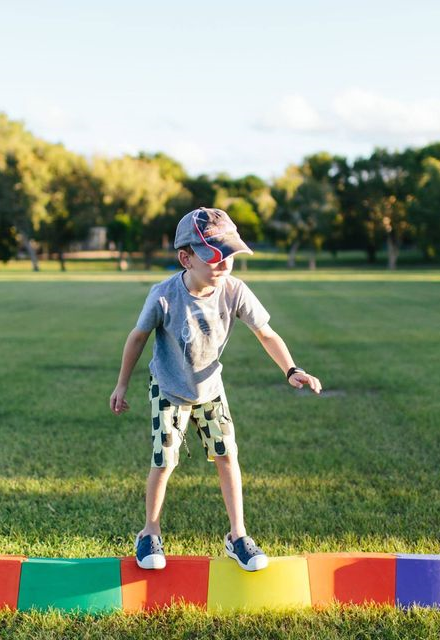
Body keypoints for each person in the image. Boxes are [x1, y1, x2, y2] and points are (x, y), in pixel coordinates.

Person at [109, 207, 322, 572]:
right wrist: (122, 384)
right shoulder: (164, 295)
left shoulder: (234, 290)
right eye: (214, 255)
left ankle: (238, 537)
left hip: (210, 390)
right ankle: (149, 533)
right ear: (185, 258)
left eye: (230, 254)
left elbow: (265, 333)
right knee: (164, 461)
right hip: (169, 389)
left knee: (227, 457)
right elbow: (137, 337)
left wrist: (291, 369)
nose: (224, 263)